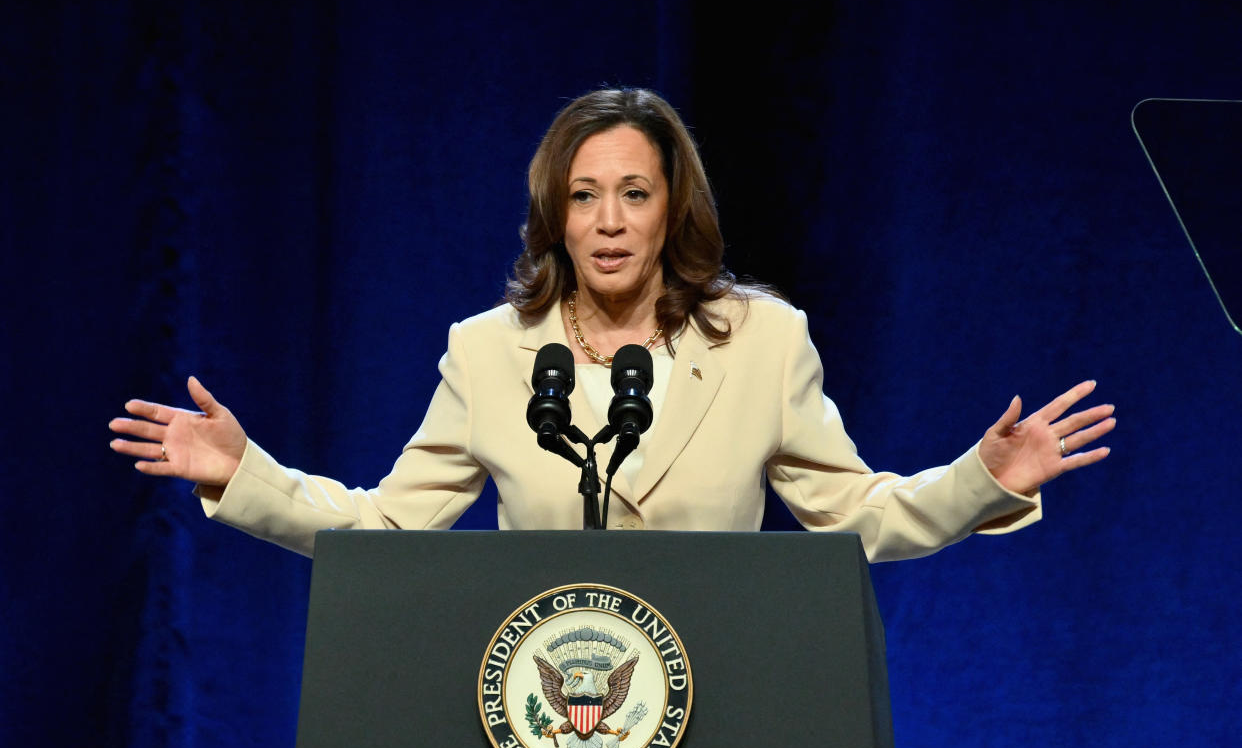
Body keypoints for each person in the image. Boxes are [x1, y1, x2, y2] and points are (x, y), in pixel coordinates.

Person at [108, 88, 1115, 561]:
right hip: (539, 715)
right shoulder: (488, 351)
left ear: (673, 204)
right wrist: (243, 473)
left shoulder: (764, 343)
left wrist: (983, 478)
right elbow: (385, 530)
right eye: (585, 195)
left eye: (634, 192)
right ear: (556, 212)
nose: (609, 221)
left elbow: (854, 516)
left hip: (715, 707)